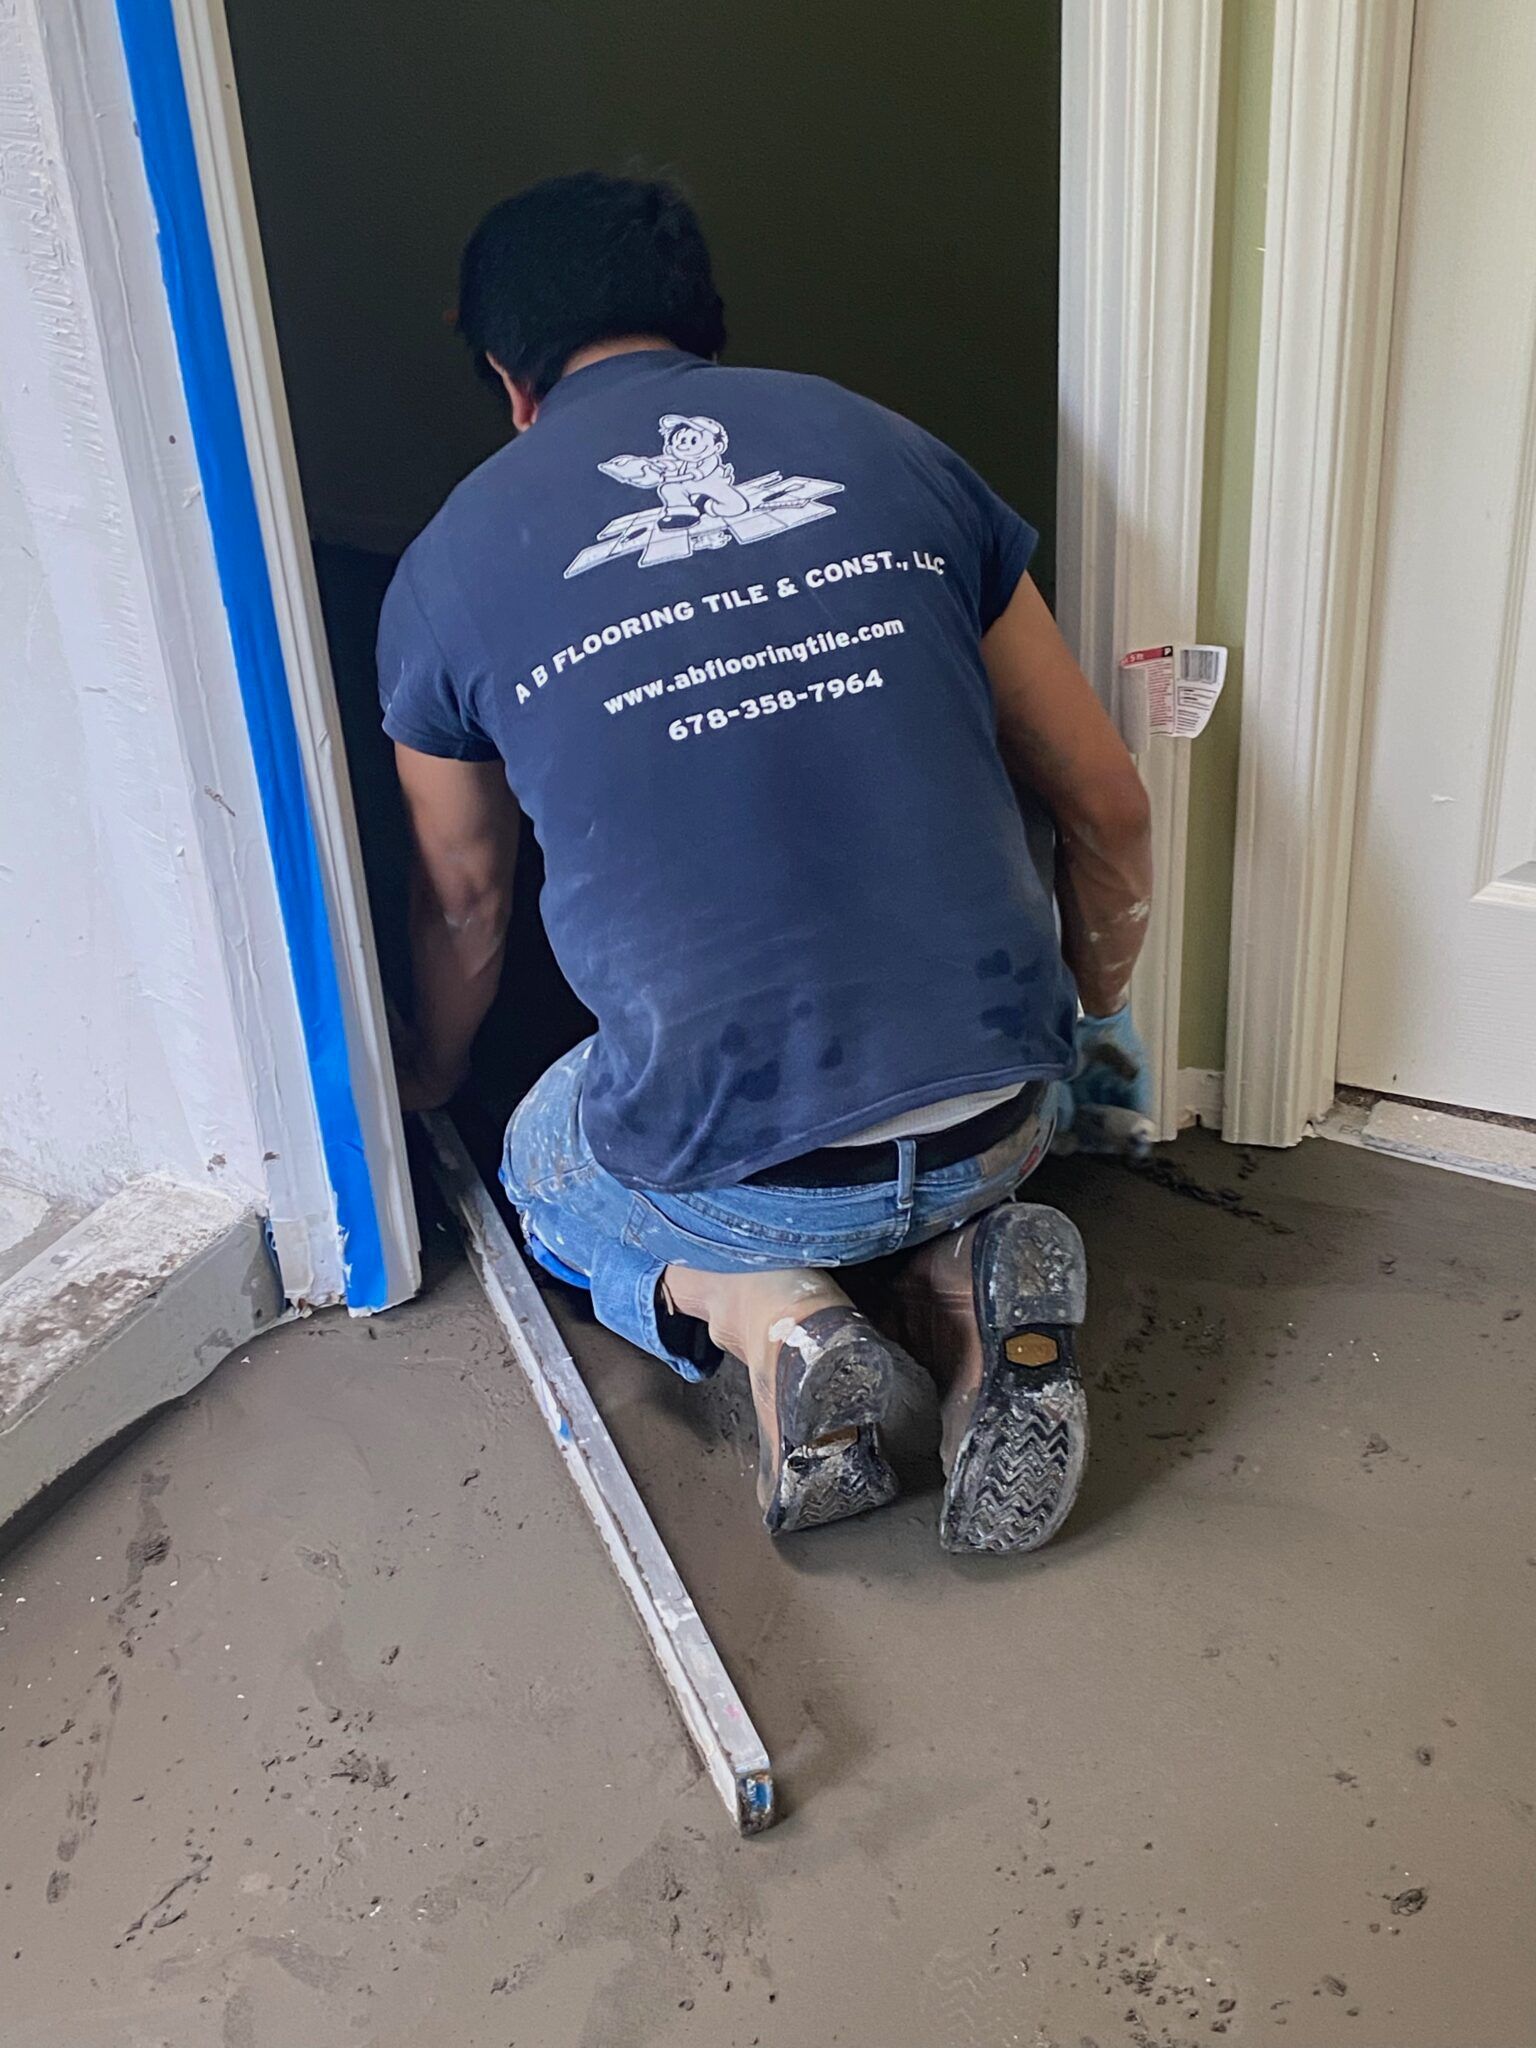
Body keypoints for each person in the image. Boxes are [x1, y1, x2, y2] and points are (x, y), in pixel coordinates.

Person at [380, 172, 1153, 1554]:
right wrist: (1084, 1019)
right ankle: (969, 1279)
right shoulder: (896, 448)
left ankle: (777, 1320)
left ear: (507, 377)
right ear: (706, 323)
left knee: (546, 1155)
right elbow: (1104, 802)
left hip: (750, 1168)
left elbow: (467, 899)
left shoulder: (445, 571)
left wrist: (429, 1075)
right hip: (1007, 1121)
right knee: (916, 1156)